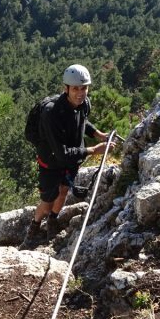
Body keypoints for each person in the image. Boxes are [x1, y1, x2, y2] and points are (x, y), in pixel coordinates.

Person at [23, 64, 111, 248]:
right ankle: (34, 227)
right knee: (47, 203)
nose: (80, 93)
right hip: (51, 162)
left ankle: (53, 221)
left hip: (71, 159)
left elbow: (82, 121)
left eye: (84, 88)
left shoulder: (83, 104)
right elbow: (61, 153)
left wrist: (97, 134)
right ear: (66, 89)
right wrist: (93, 150)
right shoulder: (51, 113)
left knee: (63, 192)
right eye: (76, 89)